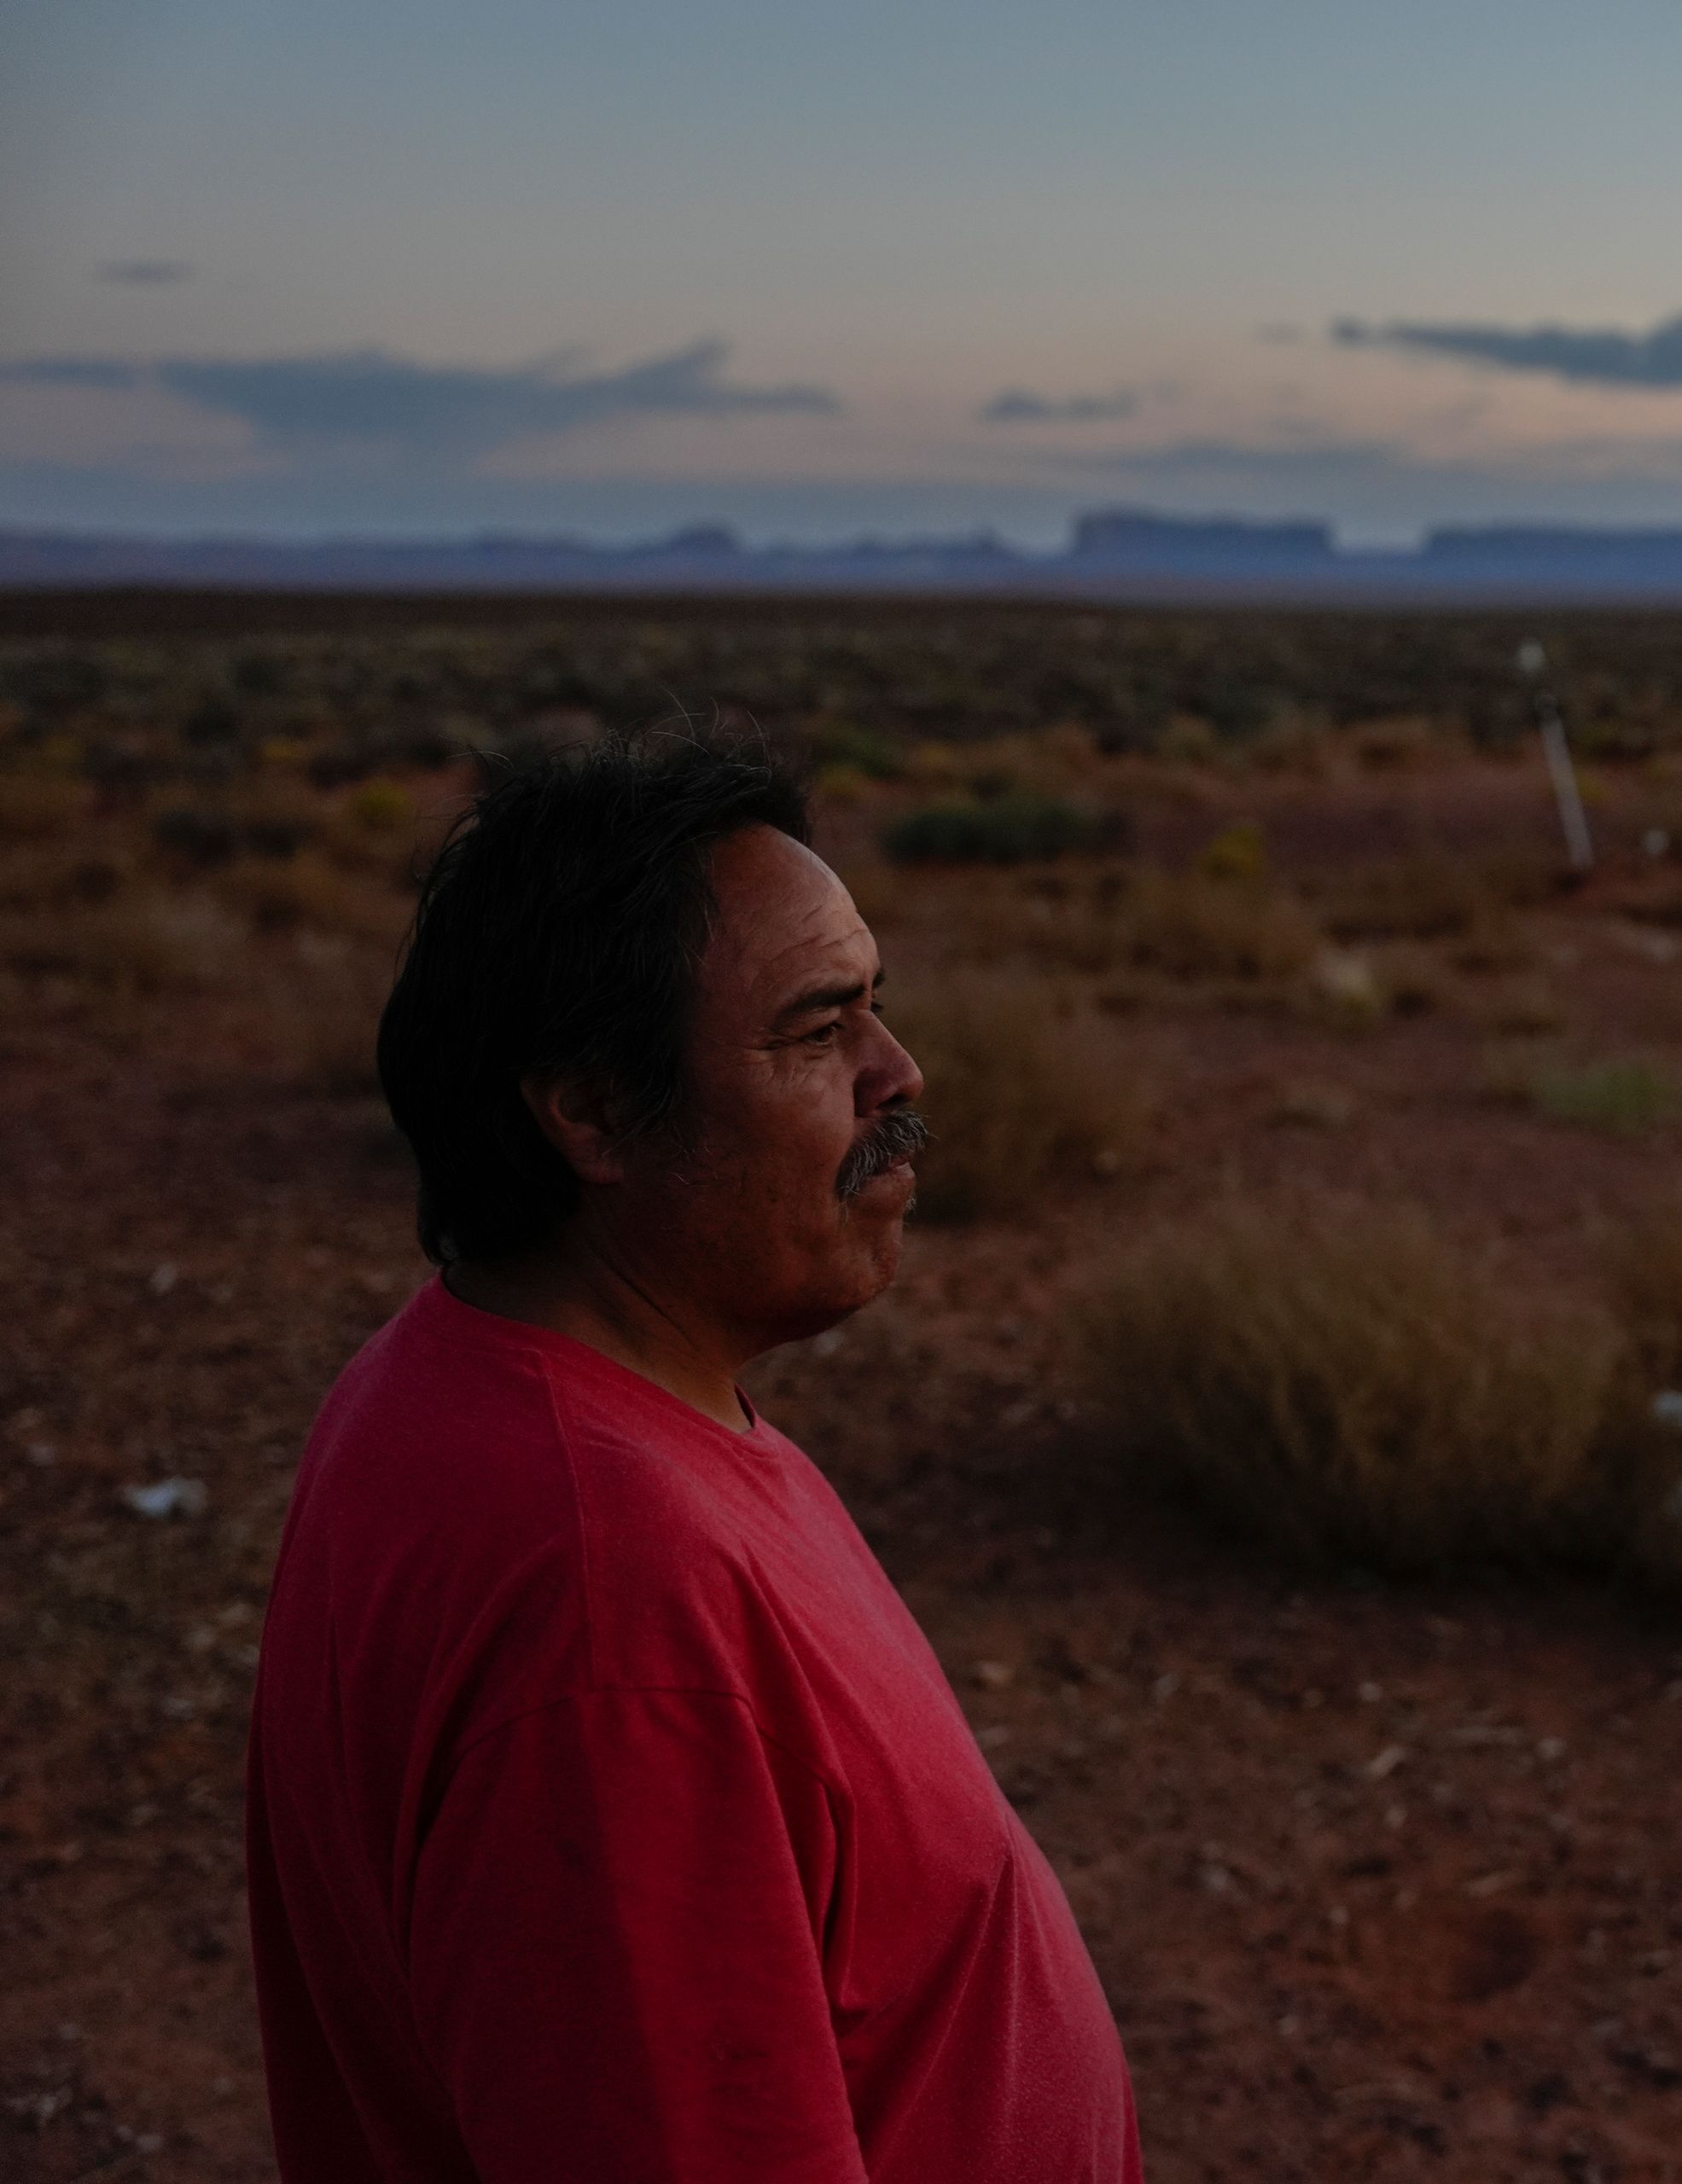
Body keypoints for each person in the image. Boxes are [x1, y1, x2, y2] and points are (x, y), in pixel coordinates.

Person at [245, 735, 1140, 2181]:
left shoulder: (488, 1386)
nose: (896, 1073)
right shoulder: (611, 1606)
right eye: (816, 1030)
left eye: (878, 1007)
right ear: (591, 1109)